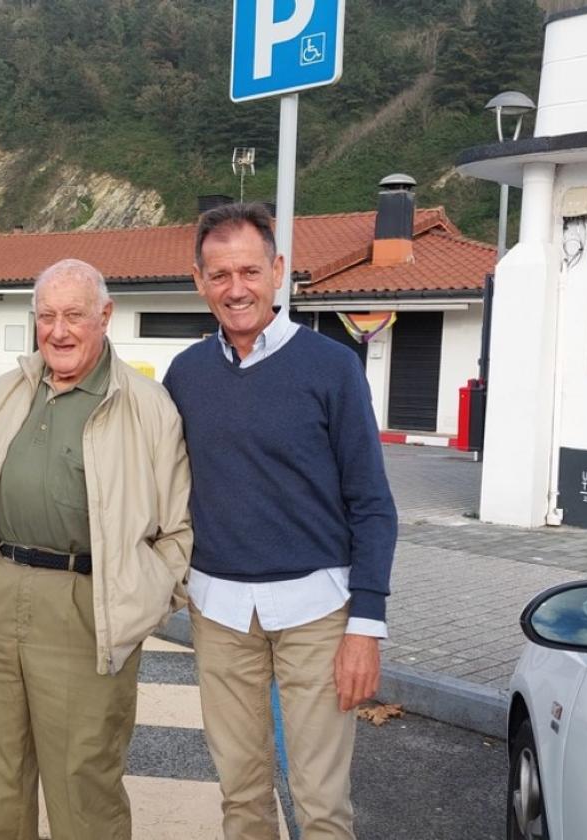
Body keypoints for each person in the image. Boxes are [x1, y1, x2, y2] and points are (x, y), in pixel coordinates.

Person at [163, 202, 397, 840]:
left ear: (278, 271)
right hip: (219, 615)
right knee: (241, 799)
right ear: (199, 281)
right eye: (219, 274)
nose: (235, 288)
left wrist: (366, 625)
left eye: (249, 270)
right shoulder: (184, 375)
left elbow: (372, 502)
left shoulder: (331, 368)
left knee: (321, 805)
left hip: (317, 616)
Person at [0, 258, 192, 840]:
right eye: (47, 316)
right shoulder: (12, 388)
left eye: (74, 316)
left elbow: (178, 531)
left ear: (105, 316)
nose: (59, 331)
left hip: (88, 606)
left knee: (83, 785)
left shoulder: (145, 405)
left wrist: (142, 600)